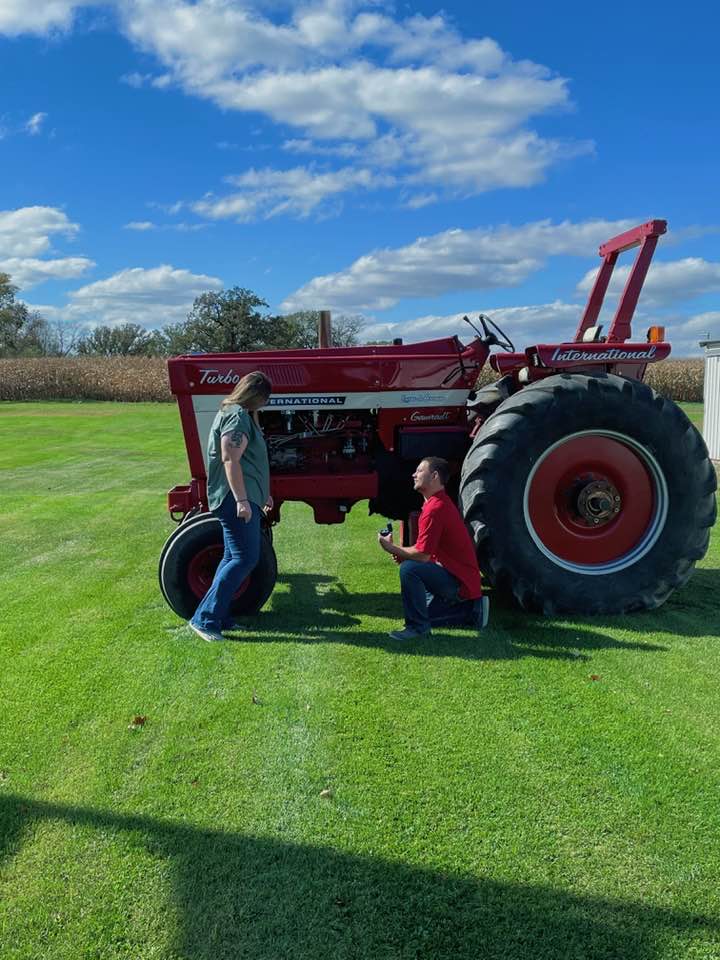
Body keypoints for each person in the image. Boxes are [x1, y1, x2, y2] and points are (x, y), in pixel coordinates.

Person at [189, 371, 272, 642]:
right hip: (232, 499)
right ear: (255, 394)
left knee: (230, 558)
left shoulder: (238, 413)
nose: (265, 403)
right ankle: (205, 620)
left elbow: (248, 463)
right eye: (264, 398)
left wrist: (263, 494)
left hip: (242, 496)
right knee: (244, 558)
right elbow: (230, 459)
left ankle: (219, 617)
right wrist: (241, 500)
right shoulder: (236, 416)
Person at [378, 456, 489, 640]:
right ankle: (471, 611)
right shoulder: (437, 504)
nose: (414, 474)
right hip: (461, 579)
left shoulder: (435, 508)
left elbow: (422, 555)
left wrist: (392, 548)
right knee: (423, 609)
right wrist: (405, 554)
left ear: (434, 476)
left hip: (460, 583)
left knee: (410, 569)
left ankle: (417, 628)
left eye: (420, 471)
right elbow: (426, 551)